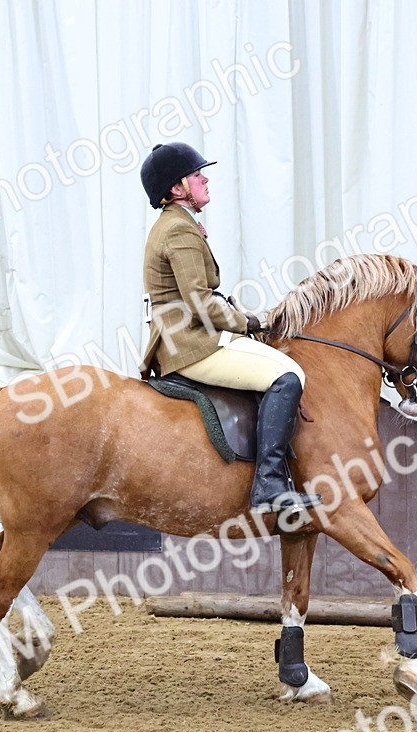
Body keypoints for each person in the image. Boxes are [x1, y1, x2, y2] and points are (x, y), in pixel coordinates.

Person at [138, 142, 320, 514]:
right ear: (176, 189)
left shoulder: (179, 225)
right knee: (287, 374)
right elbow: (199, 303)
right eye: (196, 175)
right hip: (189, 345)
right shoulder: (178, 231)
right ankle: (268, 486)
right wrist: (249, 323)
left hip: (187, 337)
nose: (205, 179)